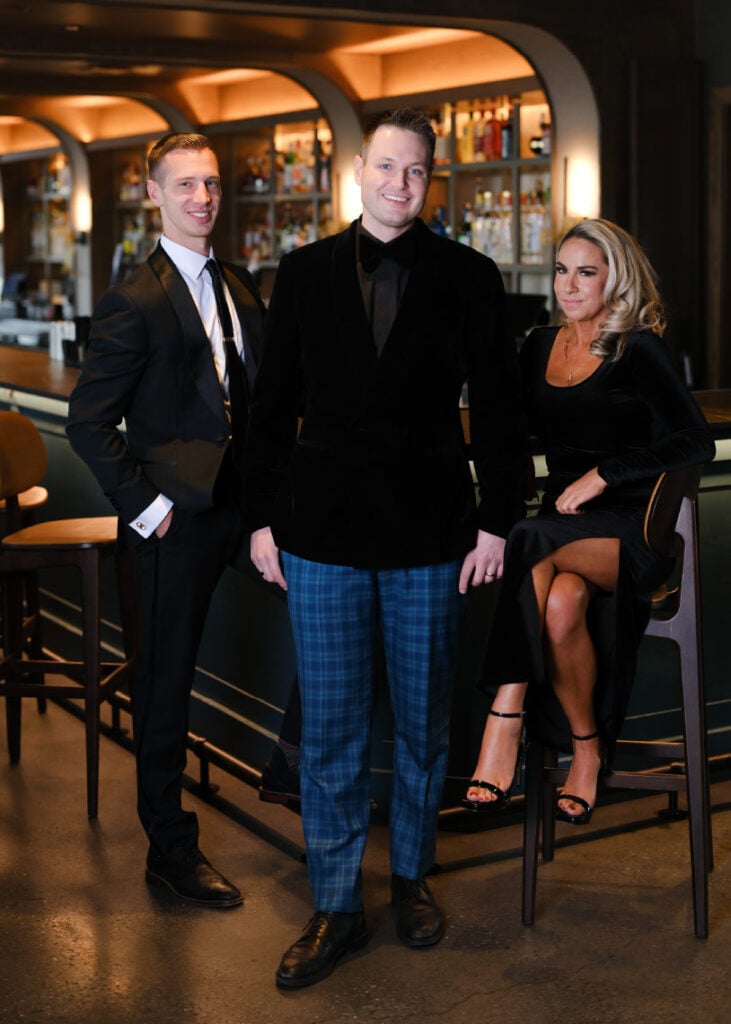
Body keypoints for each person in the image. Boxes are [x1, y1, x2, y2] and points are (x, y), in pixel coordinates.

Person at [244, 107, 526, 989]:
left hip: (431, 532)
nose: (400, 184)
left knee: (421, 722)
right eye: (387, 168)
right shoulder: (300, 270)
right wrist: (259, 519)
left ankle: (410, 879)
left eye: (416, 172)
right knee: (328, 730)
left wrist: (495, 520)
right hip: (319, 532)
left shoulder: (471, 275)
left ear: (429, 179)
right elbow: (267, 405)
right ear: (359, 171)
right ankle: (335, 905)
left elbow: (503, 407)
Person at [66, 132, 267, 909]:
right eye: (184, 186)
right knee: (164, 685)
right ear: (154, 193)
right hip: (171, 524)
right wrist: (148, 511)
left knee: (330, 618)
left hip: (244, 515)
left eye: (211, 184)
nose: (202, 199)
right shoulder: (135, 297)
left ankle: (289, 784)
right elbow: (90, 423)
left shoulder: (241, 284)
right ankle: (169, 851)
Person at [462, 218, 715, 826]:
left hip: (631, 531)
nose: (568, 286)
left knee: (526, 538)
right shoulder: (539, 344)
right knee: (558, 607)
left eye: (586, 272)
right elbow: (505, 422)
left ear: (615, 278)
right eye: (560, 270)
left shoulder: (637, 349)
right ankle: (586, 749)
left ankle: (506, 714)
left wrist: (606, 474)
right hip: (558, 535)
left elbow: (695, 442)